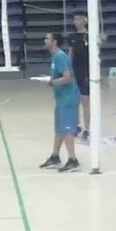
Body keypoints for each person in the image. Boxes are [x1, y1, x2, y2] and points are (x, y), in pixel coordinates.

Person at [40, 33, 82, 173]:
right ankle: (55, 156)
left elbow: (68, 78)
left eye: (47, 38)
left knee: (68, 130)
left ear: (54, 42)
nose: (44, 40)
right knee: (59, 130)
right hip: (60, 98)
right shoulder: (55, 56)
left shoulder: (59, 56)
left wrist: (51, 82)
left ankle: (73, 160)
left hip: (68, 98)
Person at [67, 13, 92, 142]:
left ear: (84, 20)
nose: (76, 21)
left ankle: (87, 129)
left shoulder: (90, 34)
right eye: (74, 19)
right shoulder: (71, 36)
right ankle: (76, 125)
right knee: (74, 100)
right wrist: (68, 71)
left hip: (87, 71)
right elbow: (70, 54)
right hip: (75, 71)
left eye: (78, 19)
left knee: (85, 100)